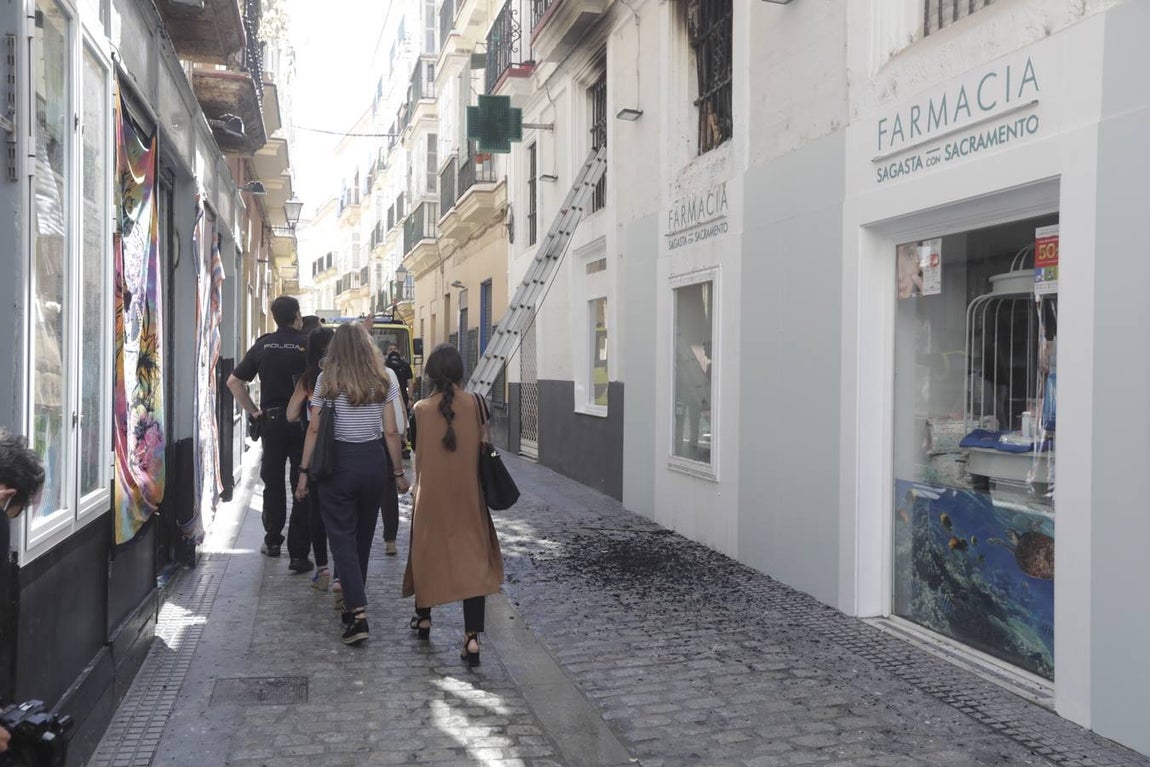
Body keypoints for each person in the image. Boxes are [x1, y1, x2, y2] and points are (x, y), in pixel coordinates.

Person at [294, 323, 408, 645]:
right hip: (373, 463)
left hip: (338, 465)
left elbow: (314, 430)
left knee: (341, 537)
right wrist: (398, 472)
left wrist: (304, 471)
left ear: (336, 348)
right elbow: (391, 432)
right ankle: (350, 600)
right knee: (361, 538)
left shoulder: (325, 380)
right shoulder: (382, 379)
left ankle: (357, 614)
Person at [402, 344, 504, 667]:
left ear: (430, 375)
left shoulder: (419, 409)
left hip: (430, 496)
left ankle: (424, 618)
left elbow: (417, 448)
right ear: (461, 373)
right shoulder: (477, 404)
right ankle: (472, 638)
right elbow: (485, 442)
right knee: (473, 560)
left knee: (426, 553)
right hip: (468, 494)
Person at [227, 296, 311, 572]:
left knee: (272, 482)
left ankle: (273, 540)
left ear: (275, 318)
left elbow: (234, 382)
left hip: (272, 422)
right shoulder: (307, 344)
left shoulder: (264, 344)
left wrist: (253, 411)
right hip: (302, 422)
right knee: (302, 480)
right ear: (297, 316)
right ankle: (299, 553)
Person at [287, 326, 335, 590]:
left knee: (316, 512)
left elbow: (290, 414)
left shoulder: (308, 379)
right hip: (340, 449)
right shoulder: (346, 376)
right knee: (340, 512)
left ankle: (323, 569)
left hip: (314, 452)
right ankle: (342, 574)